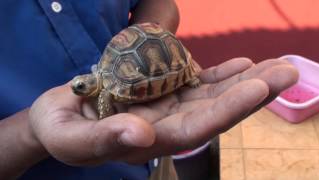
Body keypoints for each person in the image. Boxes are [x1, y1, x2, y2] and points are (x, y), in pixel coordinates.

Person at [0, 0, 299, 179]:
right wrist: (32, 133)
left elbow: (159, 2)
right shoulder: (104, 90)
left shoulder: (105, 83)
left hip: (156, 164)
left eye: (80, 87)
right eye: (78, 88)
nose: (77, 90)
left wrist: (153, 41)